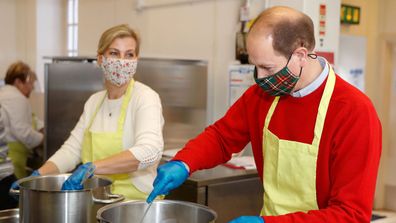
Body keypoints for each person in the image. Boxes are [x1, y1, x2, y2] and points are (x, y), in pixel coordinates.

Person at [147, 6, 382, 223]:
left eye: (268, 68)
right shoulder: (262, 96)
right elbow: (221, 137)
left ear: (301, 55)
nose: (259, 77)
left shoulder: (353, 112)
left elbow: (351, 214)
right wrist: (184, 162)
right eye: (254, 66)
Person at [27, 24, 164, 200]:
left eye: (129, 55)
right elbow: (72, 150)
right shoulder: (94, 102)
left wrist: (93, 168)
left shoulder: (145, 97)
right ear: (100, 59)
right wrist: (38, 175)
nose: (122, 61)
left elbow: (150, 151)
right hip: (98, 200)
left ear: (136, 60)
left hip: (137, 205)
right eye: (114, 53)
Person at [0, 61, 44, 179]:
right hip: (12, 157)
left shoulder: (6, 94)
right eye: (30, 83)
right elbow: (23, 132)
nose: (32, 87)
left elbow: (31, 117)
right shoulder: (17, 98)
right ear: (18, 82)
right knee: (14, 192)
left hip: (9, 154)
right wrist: (43, 138)